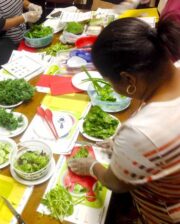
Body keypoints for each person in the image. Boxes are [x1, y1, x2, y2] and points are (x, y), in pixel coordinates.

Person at [68, 17, 180, 223]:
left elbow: (118, 183)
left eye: (109, 81)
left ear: (129, 79)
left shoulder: (141, 131)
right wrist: (125, 149)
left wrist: (91, 166)